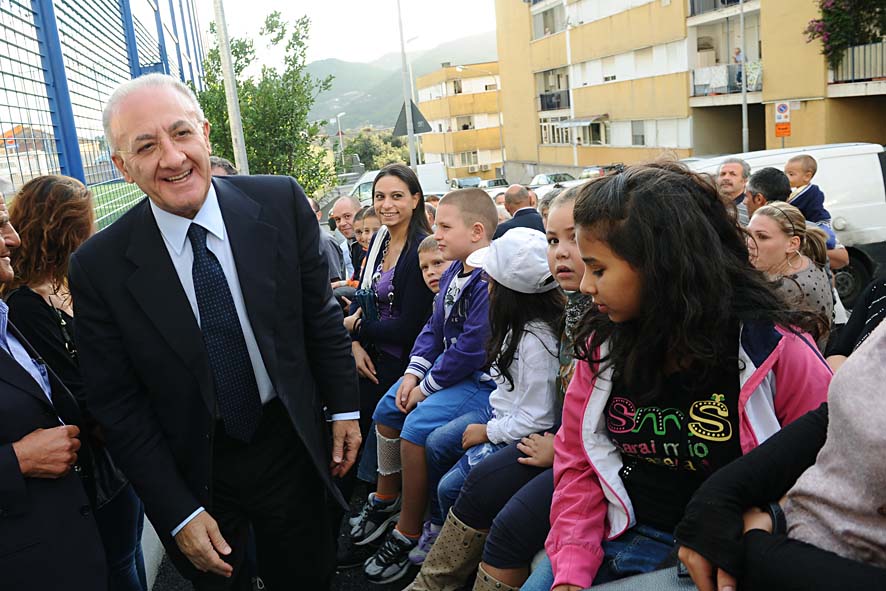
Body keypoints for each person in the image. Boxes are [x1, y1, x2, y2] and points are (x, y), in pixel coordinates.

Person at [68, 73, 361, 589]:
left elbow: (318, 315)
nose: (173, 158)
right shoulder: (99, 267)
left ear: (204, 133)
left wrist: (343, 406)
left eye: (181, 134)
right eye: (146, 146)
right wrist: (177, 512)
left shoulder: (279, 203)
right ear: (122, 166)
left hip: (288, 441)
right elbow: (116, 402)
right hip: (191, 465)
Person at [535, 162, 831, 591]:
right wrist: (572, 571)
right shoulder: (603, 348)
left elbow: (833, 468)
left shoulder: (773, 351)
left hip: (717, 555)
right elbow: (578, 462)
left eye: (598, 269)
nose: (585, 286)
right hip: (617, 534)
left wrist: (766, 520)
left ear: (662, 267)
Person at [2, 175, 145, 590]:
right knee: (120, 566)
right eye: (88, 223)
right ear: (63, 230)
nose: (95, 230)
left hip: (112, 461)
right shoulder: (25, 307)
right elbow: (79, 394)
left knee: (128, 554)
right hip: (87, 469)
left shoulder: (72, 287)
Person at [354, 188, 499, 584]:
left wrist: (428, 386)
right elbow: (434, 328)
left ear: (476, 231)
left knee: (417, 429)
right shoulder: (454, 269)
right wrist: (412, 374)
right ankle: (386, 498)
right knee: (387, 408)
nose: (436, 233)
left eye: (445, 226)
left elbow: (472, 349)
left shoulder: (488, 279)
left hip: (480, 381)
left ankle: (411, 527)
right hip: (451, 374)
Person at [676, 321, 886, 591]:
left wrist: (756, 550)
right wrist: (721, 495)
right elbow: (838, 412)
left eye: (602, 273)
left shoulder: (780, 343)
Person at [414, 227, 563, 564]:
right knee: (438, 443)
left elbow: (536, 417)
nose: (485, 285)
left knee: (450, 487)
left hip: (515, 431)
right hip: (503, 415)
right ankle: (439, 525)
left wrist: (488, 432)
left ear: (511, 292)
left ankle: (458, 554)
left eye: (491, 280)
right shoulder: (515, 326)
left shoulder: (534, 342)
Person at [747, 202, 833, 347]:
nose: (749, 243)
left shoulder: (789, 289)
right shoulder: (804, 260)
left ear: (792, 244)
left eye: (762, 237)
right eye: (748, 234)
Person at [785, 154, 832, 231]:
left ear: (807, 176)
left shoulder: (813, 192)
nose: (786, 177)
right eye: (785, 173)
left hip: (818, 225)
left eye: (791, 174)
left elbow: (815, 212)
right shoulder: (793, 192)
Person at [308, 196, 346, 284]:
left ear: (318, 215)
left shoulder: (324, 241)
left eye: (308, 212)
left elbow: (335, 281)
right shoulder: (307, 240)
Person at [331, 195, 363, 279]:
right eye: (337, 219)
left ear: (360, 213)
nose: (342, 223)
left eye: (347, 216)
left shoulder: (368, 243)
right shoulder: (350, 244)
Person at [716, 157, 750, 226]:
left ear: (744, 181)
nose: (726, 178)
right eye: (722, 174)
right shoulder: (711, 205)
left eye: (732, 174)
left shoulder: (750, 208)